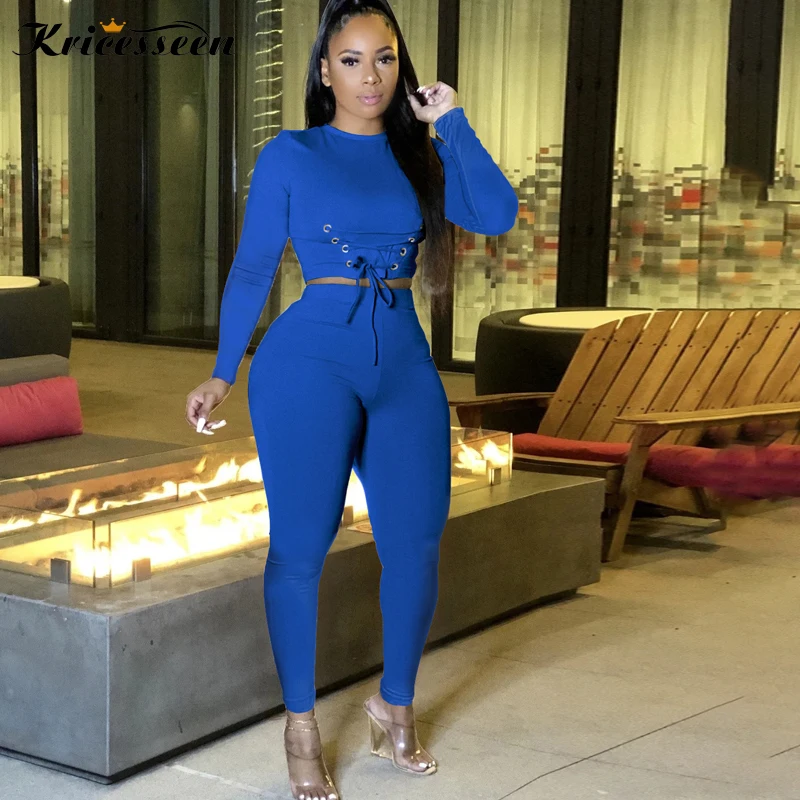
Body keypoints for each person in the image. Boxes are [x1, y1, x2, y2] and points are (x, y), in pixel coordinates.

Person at [184, 1, 517, 798]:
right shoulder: (291, 153)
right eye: (353, 59)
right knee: (301, 548)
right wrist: (223, 370)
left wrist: (451, 123)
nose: (372, 75)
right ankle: (300, 726)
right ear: (324, 70)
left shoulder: (419, 156)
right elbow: (253, 268)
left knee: (418, 543)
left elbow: (496, 213)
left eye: (386, 58)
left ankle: (393, 704)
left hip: (404, 368)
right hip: (307, 366)